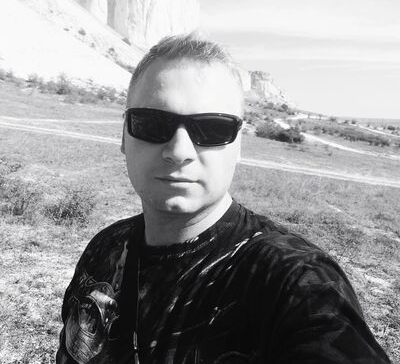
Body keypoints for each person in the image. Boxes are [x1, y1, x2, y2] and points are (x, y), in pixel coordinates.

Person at [56, 33, 391, 364]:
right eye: (152, 123)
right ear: (123, 135)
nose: (179, 151)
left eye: (213, 128)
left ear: (238, 145)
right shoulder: (105, 249)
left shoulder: (294, 281)